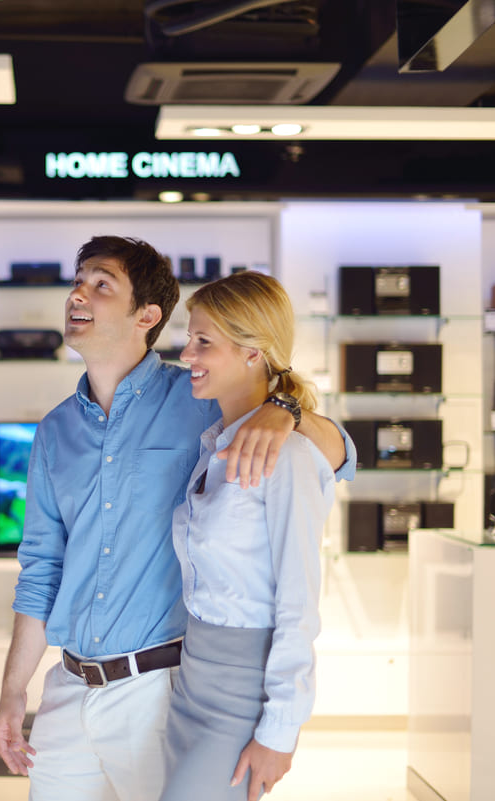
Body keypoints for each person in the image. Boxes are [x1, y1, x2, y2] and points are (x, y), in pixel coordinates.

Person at [0, 236, 354, 801]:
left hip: (158, 691)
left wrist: (283, 412)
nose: (77, 293)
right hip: (65, 689)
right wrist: (14, 692)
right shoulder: (54, 431)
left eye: (100, 283)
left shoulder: (201, 396)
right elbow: (41, 570)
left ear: (148, 316)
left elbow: (340, 453)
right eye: (77, 280)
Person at [160, 271, 334, 801]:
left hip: (243, 691)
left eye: (203, 342)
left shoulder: (291, 457)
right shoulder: (213, 444)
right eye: (190, 338)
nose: (187, 353)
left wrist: (280, 729)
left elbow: (299, 602)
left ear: (255, 353)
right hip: (190, 680)